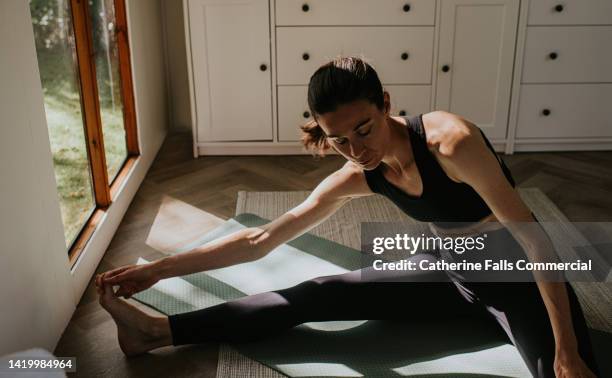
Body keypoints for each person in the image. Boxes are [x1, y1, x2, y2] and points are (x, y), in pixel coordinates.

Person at [96, 56, 599, 377]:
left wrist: (567, 350)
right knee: (318, 294)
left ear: (385, 104)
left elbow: (534, 239)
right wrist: (154, 270)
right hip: (448, 269)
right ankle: (157, 333)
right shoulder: (358, 174)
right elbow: (260, 241)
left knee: (568, 371)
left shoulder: (451, 142)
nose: (356, 150)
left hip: (515, 275)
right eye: (339, 139)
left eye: (364, 129)